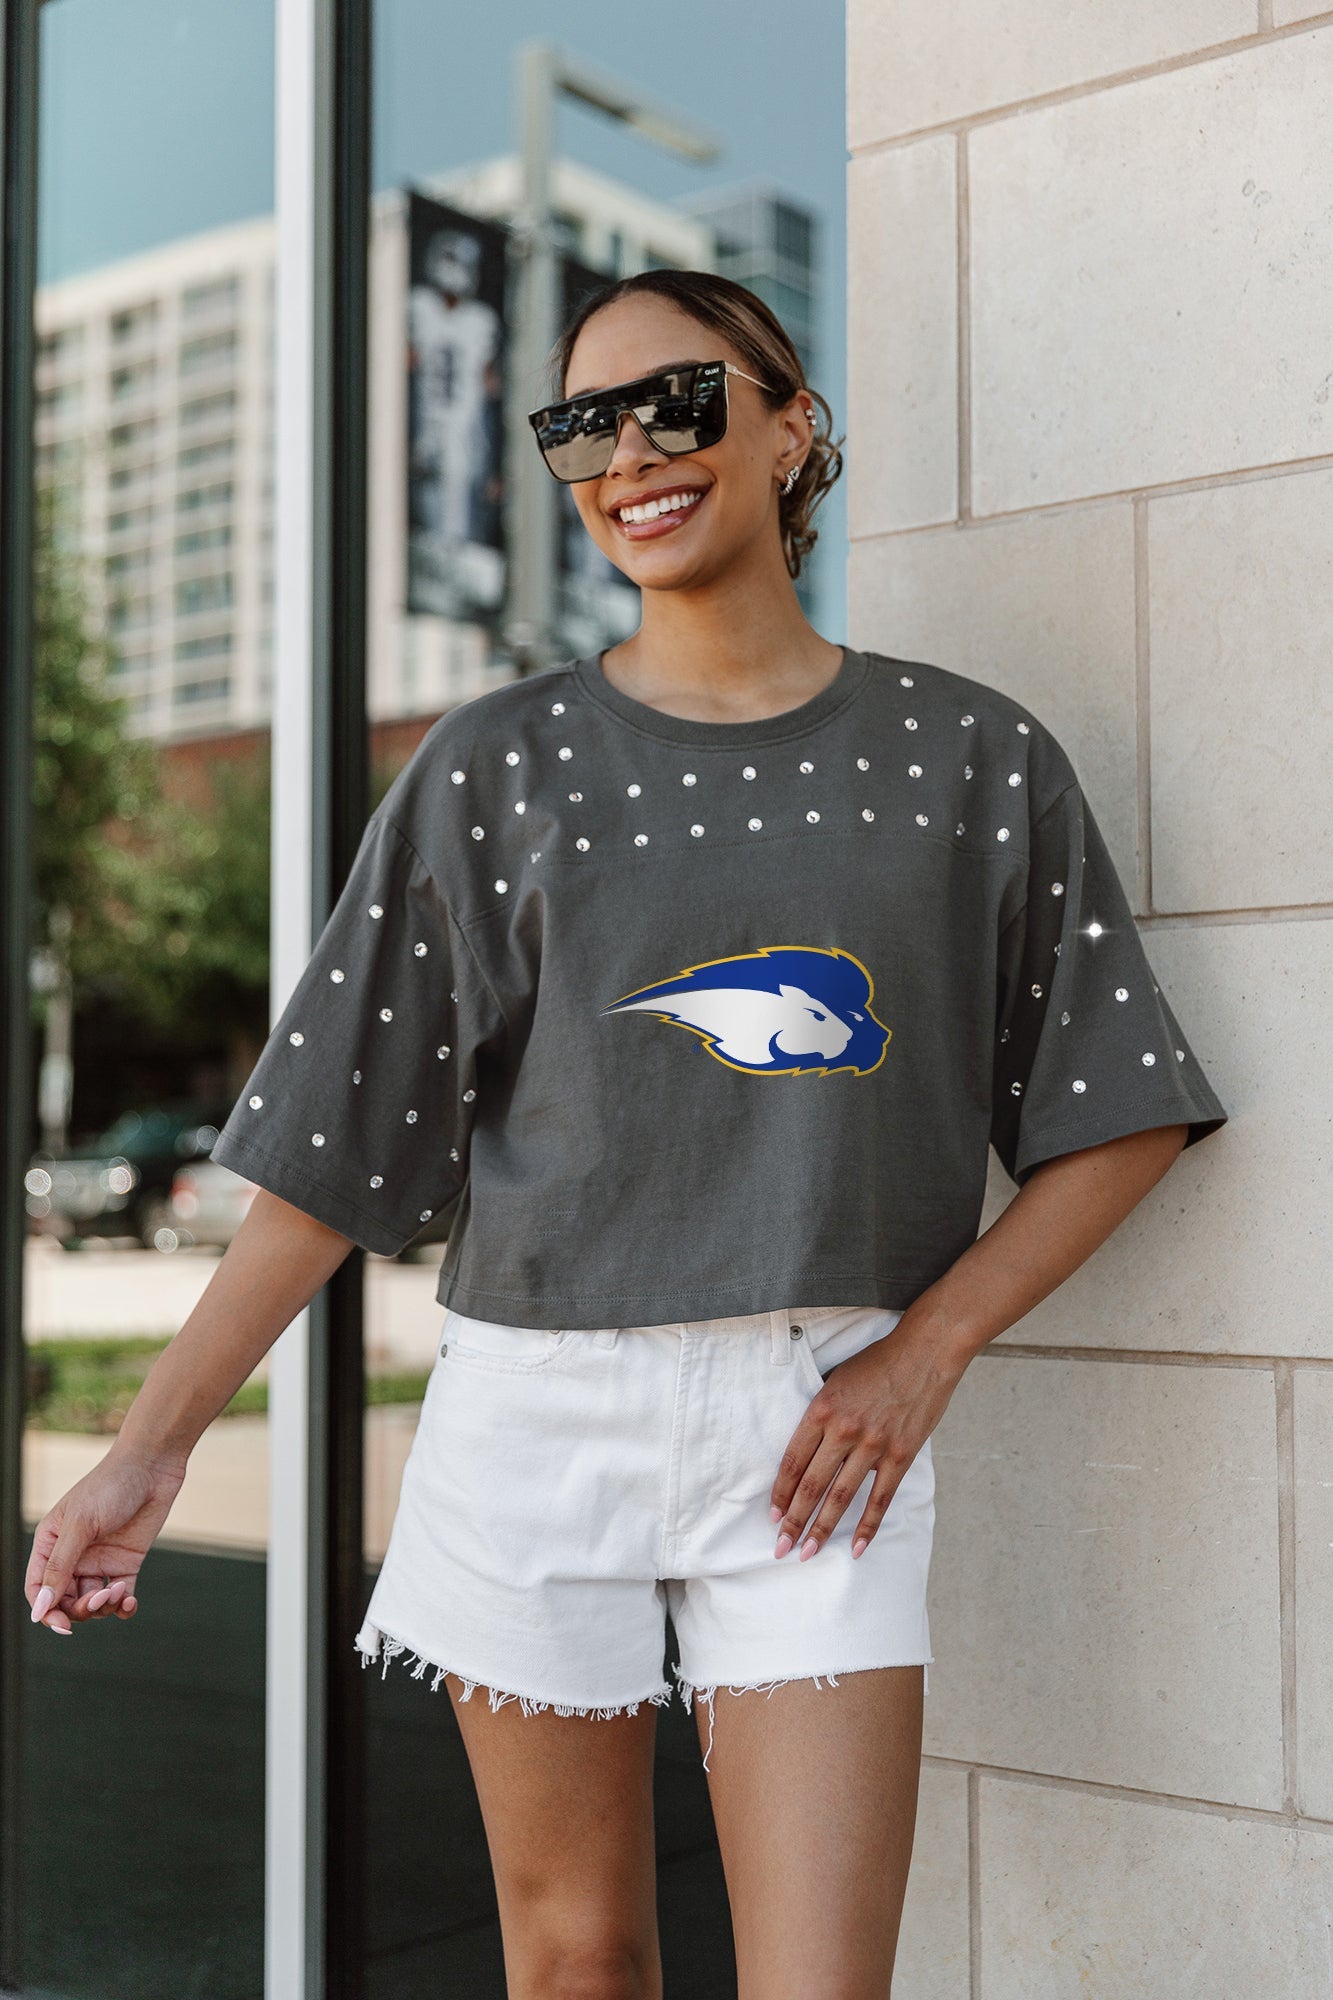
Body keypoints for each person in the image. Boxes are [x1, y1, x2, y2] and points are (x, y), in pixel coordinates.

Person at [25, 270, 1228, 1998]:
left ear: (791, 425)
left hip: (822, 1429)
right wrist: (151, 1448)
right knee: (575, 1964)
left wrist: (925, 1352)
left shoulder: (967, 756)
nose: (629, 456)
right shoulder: (493, 766)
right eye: (580, 427)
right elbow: (331, 1153)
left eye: (677, 401)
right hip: (535, 1416)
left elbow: (1121, 1109)